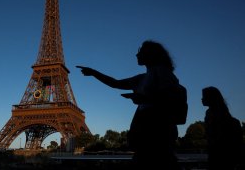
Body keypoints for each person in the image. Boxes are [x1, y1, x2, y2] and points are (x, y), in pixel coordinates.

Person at [77, 40, 182, 170]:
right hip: (148, 131)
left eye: (140, 51)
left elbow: (169, 99)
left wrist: (144, 98)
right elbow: (115, 83)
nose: (136, 55)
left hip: (156, 130)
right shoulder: (144, 77)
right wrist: (94, 73)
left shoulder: (162, 73)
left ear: (150, 54)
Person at [201, 86, 243, 170]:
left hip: (218, 154)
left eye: (204, 96)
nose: (201, 99)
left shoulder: (211, 114)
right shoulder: (218, 113)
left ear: (211, 98)